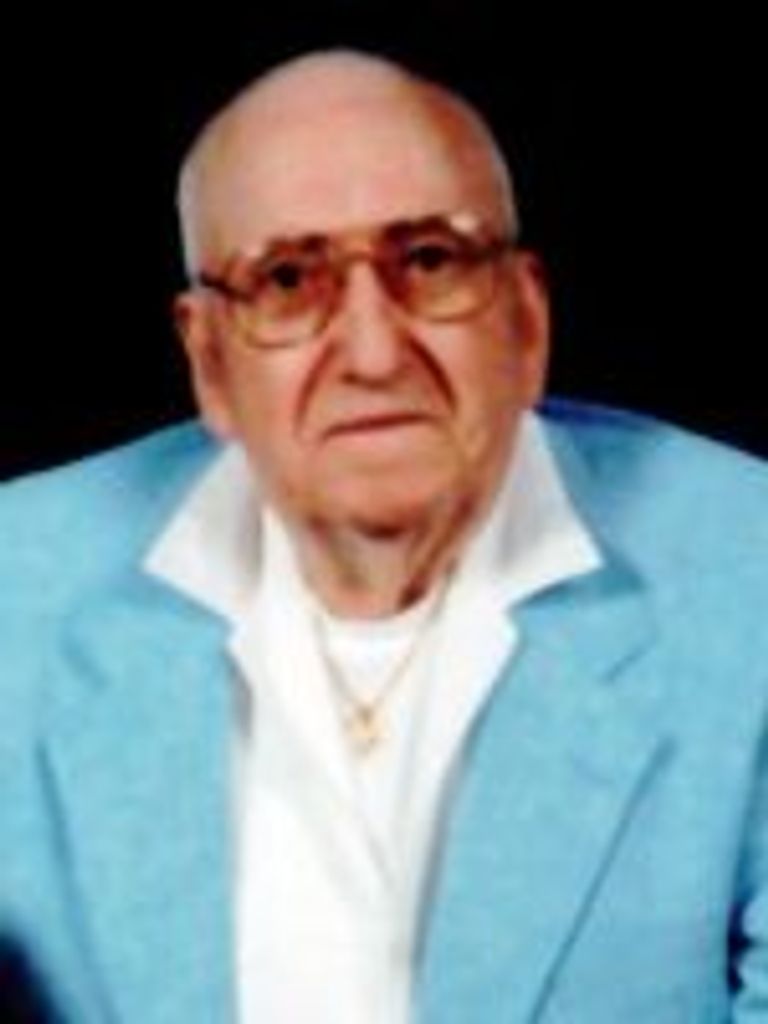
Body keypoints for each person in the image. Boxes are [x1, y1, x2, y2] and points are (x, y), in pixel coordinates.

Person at [0, 49, 765, 1024]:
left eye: (430, 262)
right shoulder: (12, 594)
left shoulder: (752, 578)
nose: (371, 352)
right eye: (287, 279)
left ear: (528, 321)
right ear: (210, 362)